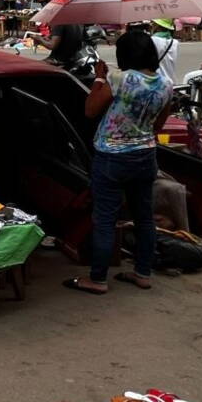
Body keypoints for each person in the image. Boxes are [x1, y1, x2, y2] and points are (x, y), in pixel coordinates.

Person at [65, 30, 172, 296]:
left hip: (112, 157)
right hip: (146, 156)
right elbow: (159, 124)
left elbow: (90, 110)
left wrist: (100, 77)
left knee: (105, 219)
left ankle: (98, 279)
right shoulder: (166, 84)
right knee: (144, 217)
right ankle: (142, 273)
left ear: (124, 55)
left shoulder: (119, 78)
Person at [150, 18, 179, 85]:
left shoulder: (153, 40)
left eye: (153, 23)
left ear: (157, 26)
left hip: (158, 83)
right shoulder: (175, 42)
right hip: (171, 82)